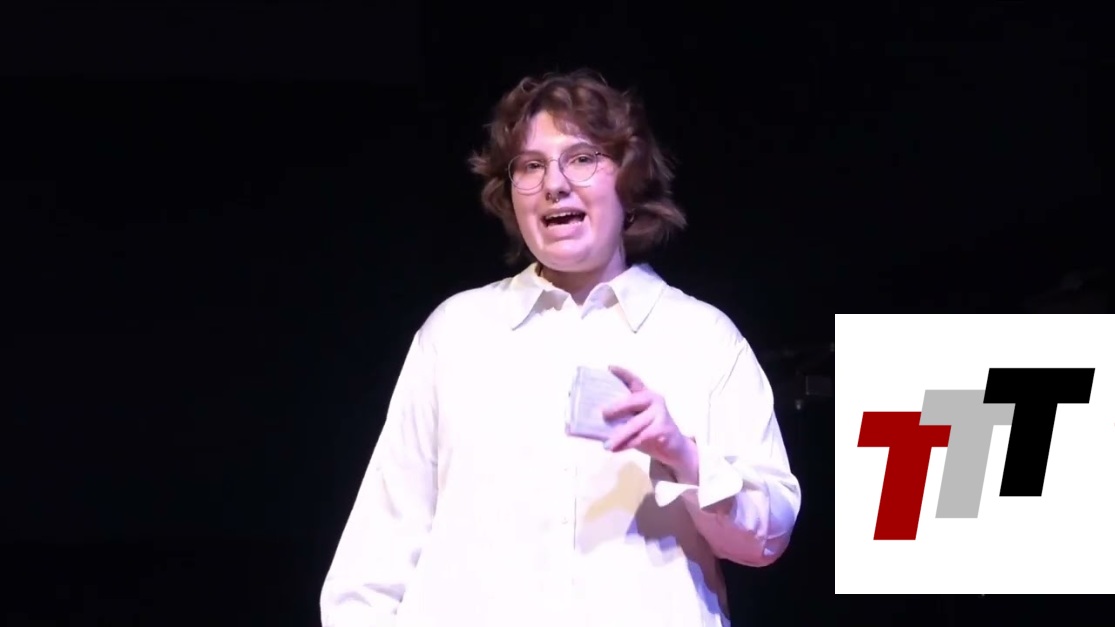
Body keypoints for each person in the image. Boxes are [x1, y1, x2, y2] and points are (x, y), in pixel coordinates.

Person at [320, 69, 801, 627]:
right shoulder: (456, 333)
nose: (554, 184)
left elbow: (767, 537)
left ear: (629, 181)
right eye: (530, 166)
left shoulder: (701, 338)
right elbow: (377, 554)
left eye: (581, 158)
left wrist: (684, 456)